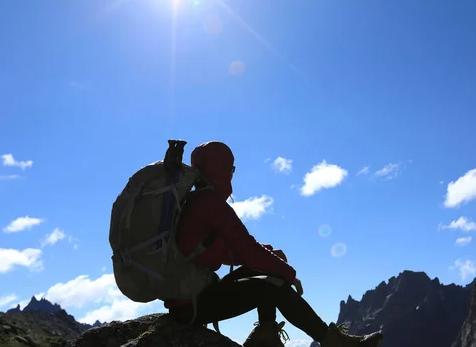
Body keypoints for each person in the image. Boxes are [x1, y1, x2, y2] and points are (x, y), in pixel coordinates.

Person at [164, 141, 383, 347]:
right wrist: (287, 273)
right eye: (230, 168)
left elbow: (219, 252)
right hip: (192, 305)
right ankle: (332, 342)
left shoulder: (193, 201)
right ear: (221, 169)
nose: (232, 173)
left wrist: (271, 256)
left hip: (188, 299)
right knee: (273, 286)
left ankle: (267, 332)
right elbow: (247, 249)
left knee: (268, 274)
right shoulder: (210, 203)